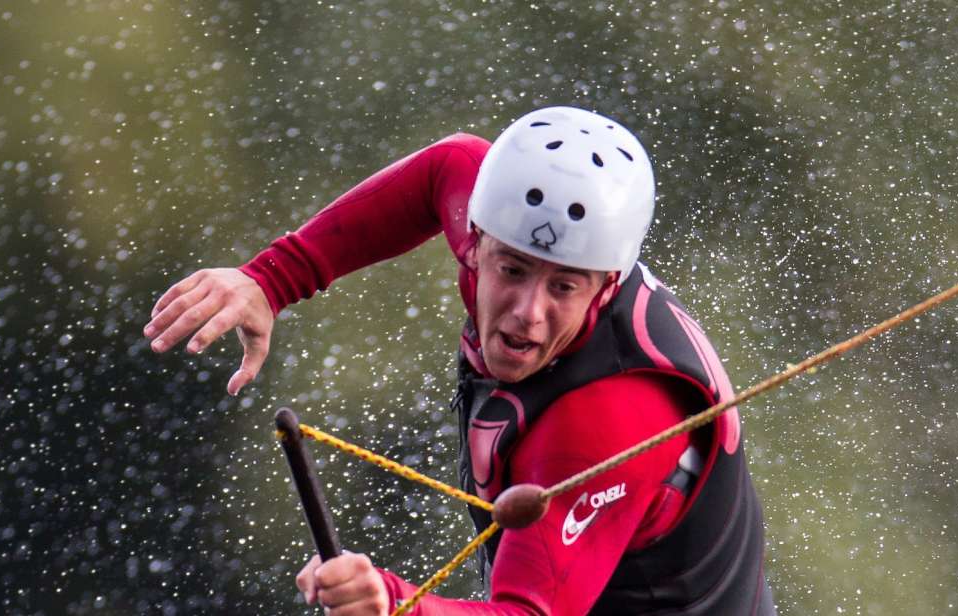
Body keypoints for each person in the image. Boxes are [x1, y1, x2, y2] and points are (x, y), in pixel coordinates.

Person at [145, 107, 776, 615]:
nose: (528, 311)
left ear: (606, 288)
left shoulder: (611, 415)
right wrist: (272, 280)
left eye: (564, 287)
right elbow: (443, 168)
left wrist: (399, 606)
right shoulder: (497, 211)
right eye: (513, 270)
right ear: (474, 243)